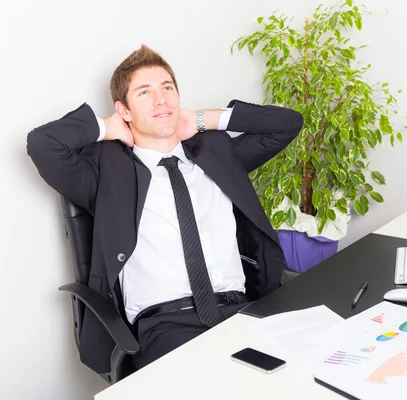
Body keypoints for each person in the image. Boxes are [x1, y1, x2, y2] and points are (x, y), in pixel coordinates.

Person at [27, 44, 303, 372]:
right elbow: (43, 145)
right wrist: (108, 127)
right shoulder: (107, 172)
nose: (161, 99)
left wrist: (201, 120)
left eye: (167, 88)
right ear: (124, 109)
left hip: (240, 313)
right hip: (165, 328)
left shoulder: (217, 154)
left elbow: (288, 124)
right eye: (144, 92)